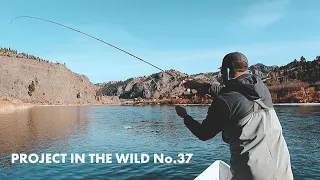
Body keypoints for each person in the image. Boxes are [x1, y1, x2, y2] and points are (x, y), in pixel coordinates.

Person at [175, 52, 293, 180]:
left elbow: (204, 133)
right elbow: (231, 92)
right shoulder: (262, 89)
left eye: (222, 71)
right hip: (282, 169)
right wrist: (198, 85)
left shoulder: (223, 101)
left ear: (226, 71)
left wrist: (185, 117)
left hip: (251, 174)